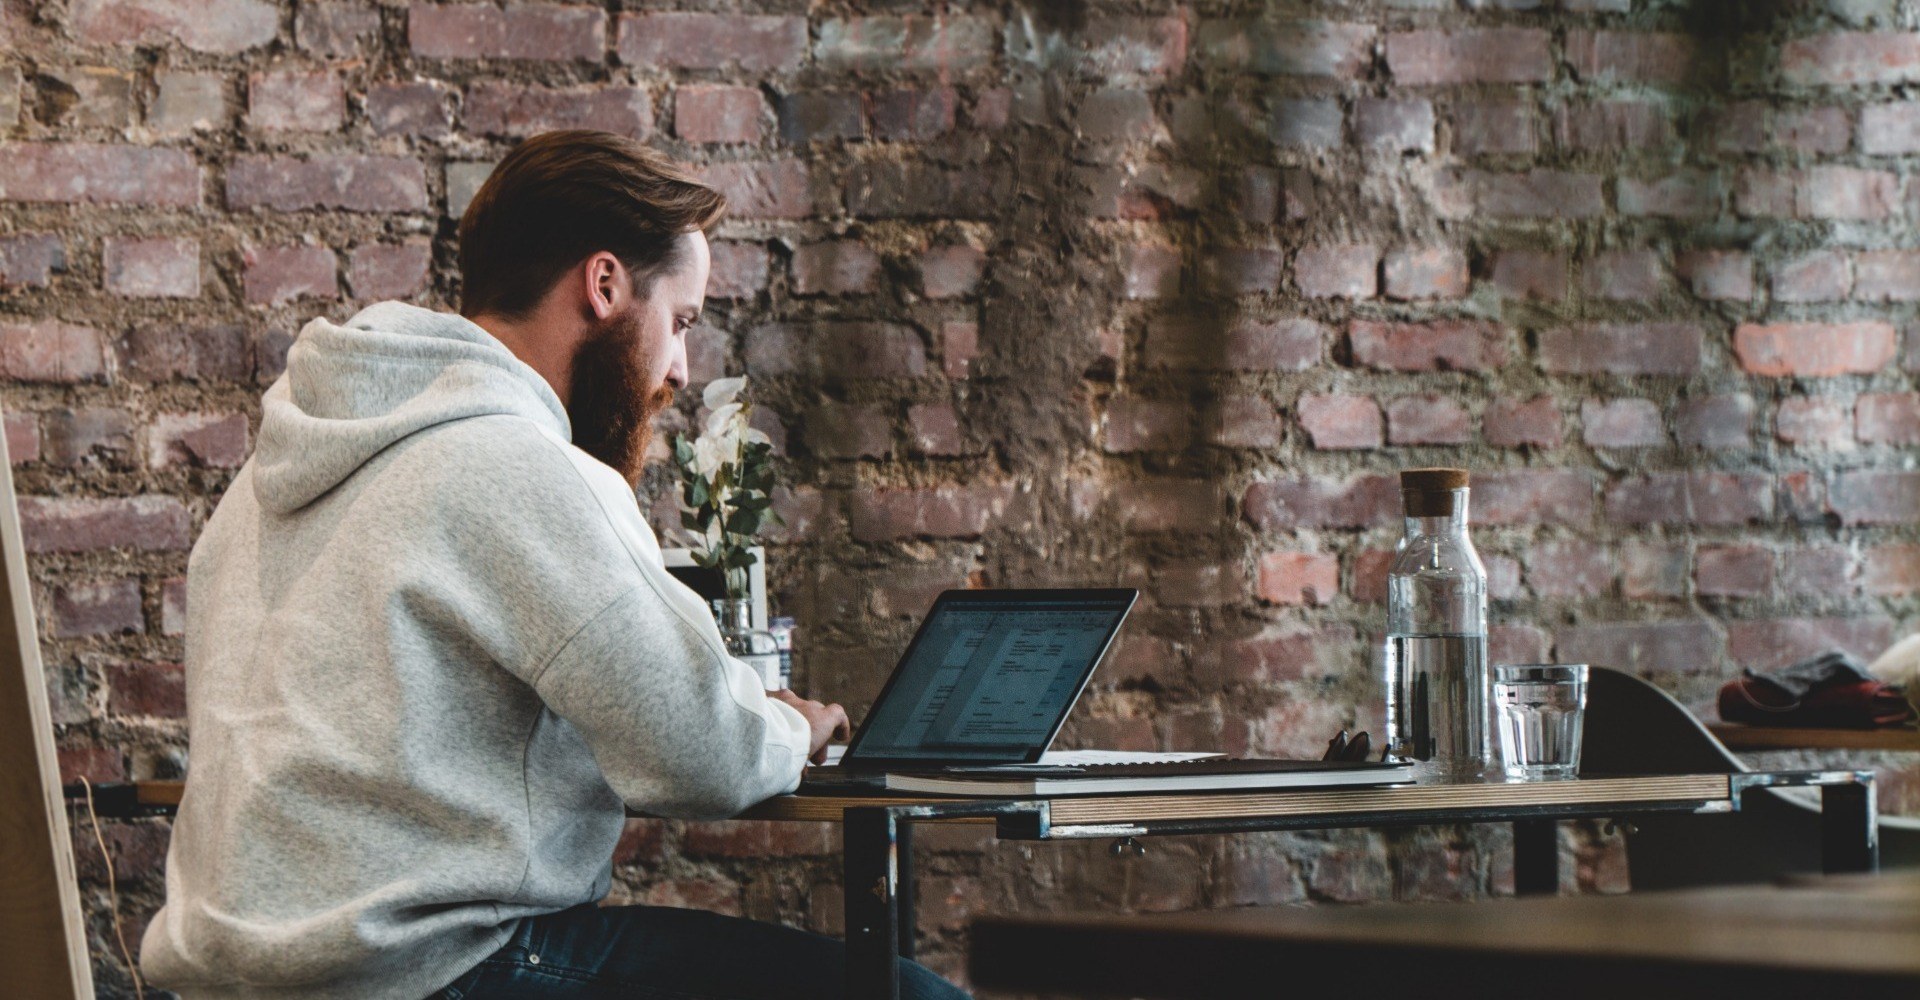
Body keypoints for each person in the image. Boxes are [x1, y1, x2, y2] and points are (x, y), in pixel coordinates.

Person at [138, 130, 969, 1000]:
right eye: (681, 322)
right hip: (434, 971)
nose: (681, 370)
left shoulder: (262, 485)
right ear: (604, 284)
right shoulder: (517, 466)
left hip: (224, 979)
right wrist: (794, 725)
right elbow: (701, 751)